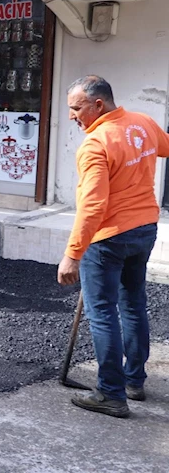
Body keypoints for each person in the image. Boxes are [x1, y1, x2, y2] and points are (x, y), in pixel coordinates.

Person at [57, 75, 169, 418]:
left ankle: (110, 392)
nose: (73, 116)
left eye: (76, 109)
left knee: (102, 312)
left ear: (98, 105)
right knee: (133, 303)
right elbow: (164, 147)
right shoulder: (144, 123)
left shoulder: (95, 144)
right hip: (144, 228)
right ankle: (134, 380)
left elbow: (93, 206)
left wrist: (72, 254)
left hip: (108, 238)